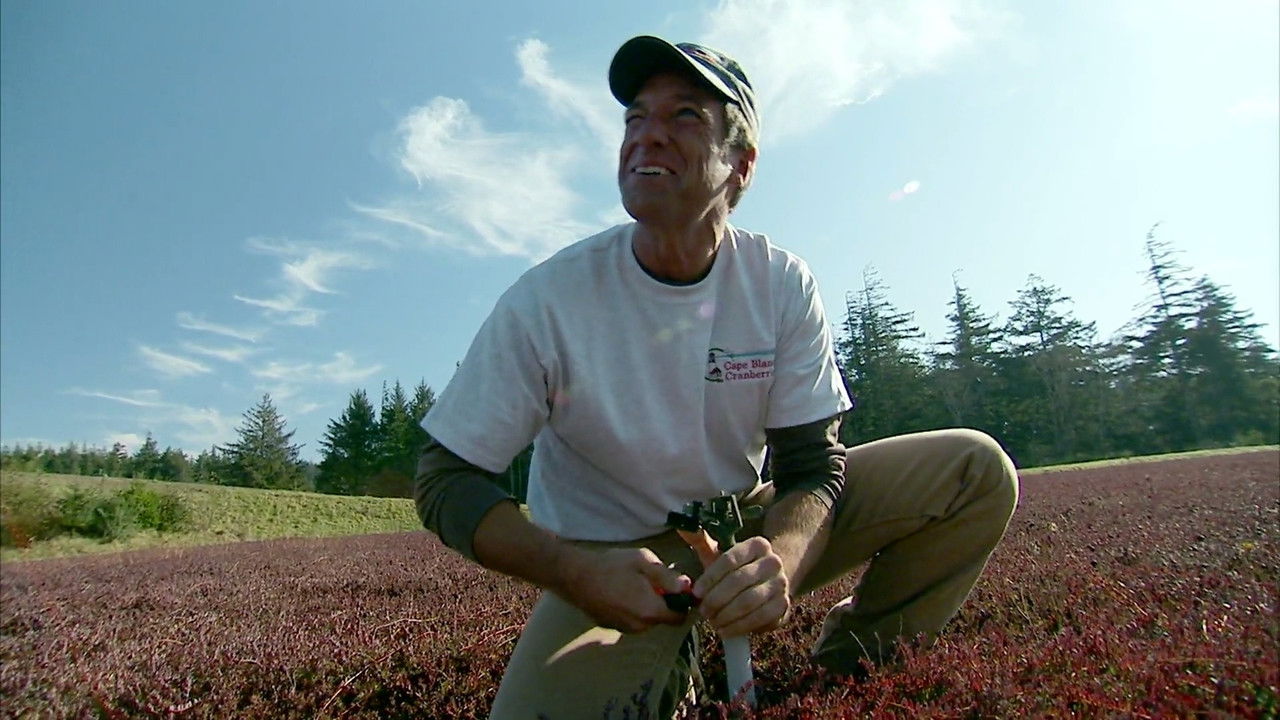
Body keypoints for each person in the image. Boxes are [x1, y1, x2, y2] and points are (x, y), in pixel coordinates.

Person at [415, 35, 1019, 720]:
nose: (648, 136)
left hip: (743, 526)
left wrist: (781, 562)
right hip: (614, 568)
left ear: (742, 166)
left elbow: (812, 463)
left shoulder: (778, 282)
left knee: (974, 470)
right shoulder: (548, 300)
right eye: (635, 117)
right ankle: (664, 666)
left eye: (685, 117)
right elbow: (445, 480)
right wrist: (577, 573)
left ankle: (848, 674)